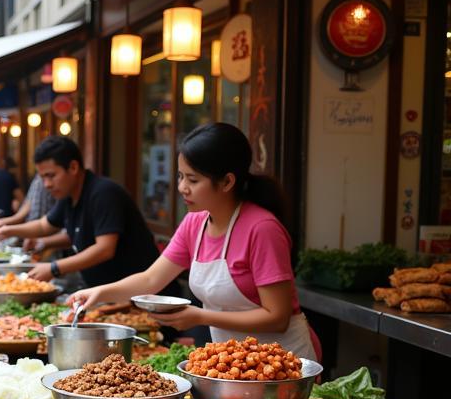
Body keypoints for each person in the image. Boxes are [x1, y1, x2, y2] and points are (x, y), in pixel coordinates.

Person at [68, 122, 319, 358]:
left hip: (283, 360)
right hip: (232, 359)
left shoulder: (262, 229)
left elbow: (277, 316)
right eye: (180, 176)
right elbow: (151, 279)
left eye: (193, 180)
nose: (181, 187)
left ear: (227, 182)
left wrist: (200, 316)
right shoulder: (195, 223)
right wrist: (99, 293)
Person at [0, 136, 162, 287]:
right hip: (105, 293)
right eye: (42, 177)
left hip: (138, 295)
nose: (47, 184)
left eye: (51, 176)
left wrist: (55, 268)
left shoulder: (103, 193)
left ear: (73, 167)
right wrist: (7, 229)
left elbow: (104, 249)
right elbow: (45, 226)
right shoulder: (69, 194)